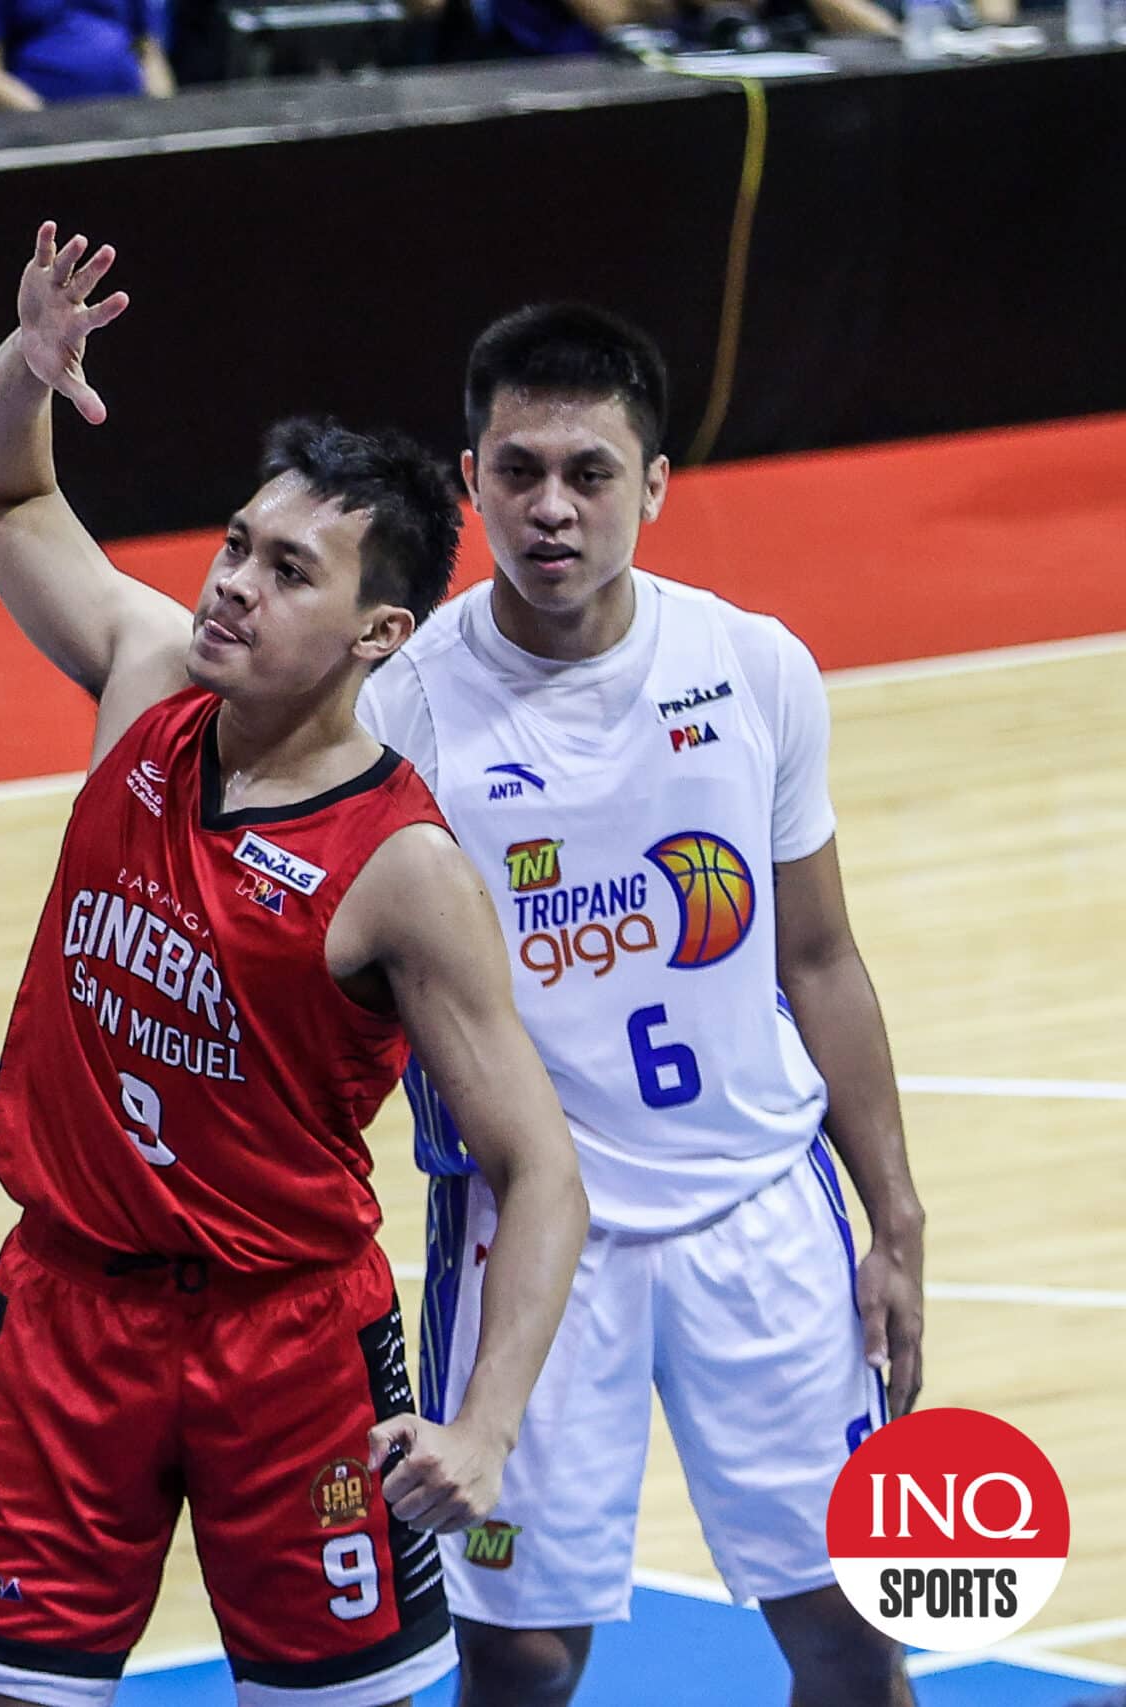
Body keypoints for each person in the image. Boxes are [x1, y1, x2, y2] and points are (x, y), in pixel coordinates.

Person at [0, 223, 588, 1707]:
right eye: (236, 543)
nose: (229, 582)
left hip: (285, 1339)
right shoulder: (148, 682)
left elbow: (539, 1164)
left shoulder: (403, 867)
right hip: (66, 1303)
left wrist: (482, 1425)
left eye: (287, 569)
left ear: (378, 631)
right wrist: (28, 366)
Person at [357, 303, 923, 1707]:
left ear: (655, 485)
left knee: (854, 1638)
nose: (554, 506)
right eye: (519, 468)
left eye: (592, 471)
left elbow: (821, 959)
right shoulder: (400, 709)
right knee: (525, 1660)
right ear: (470, 477)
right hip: (531, 1247)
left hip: (762, 1223)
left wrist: (897, 1218)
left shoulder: (755, 665)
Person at [0, 0, 172, 114]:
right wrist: (60, 137)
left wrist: (164, 126)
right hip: (23, 153)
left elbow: (149, 53)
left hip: (126, 145)